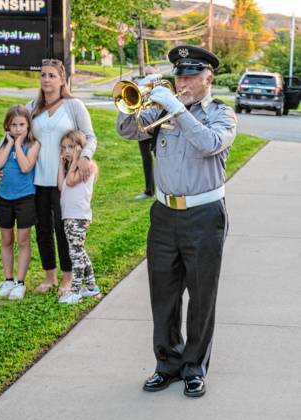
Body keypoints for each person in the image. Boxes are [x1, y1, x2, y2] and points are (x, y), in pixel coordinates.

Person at [116, 45, 237, 397]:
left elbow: (209, 143)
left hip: (204, 215)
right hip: (165, 214)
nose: (182, 81)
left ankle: (194, 367)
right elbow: (126, 130)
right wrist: (140, 93)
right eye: (179, 75)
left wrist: (177, 109)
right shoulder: (161, 113)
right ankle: (167, 363)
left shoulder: (221, 114)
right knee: (163, 295)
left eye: (190, 75)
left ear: (208, 78)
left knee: (202, 295)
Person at [26, 59, 97, 295]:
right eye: (43, 75)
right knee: (43, 228)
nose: (46, 79)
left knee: (62, 228)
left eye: (52, 75)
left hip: (63, 181)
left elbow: (90, 136)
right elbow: (15, 134)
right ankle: (50, 277)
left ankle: (68, 278)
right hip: (37, 179)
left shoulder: (73, 106)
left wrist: (85, 157)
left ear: (62, 80)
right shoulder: (32, 107)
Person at [0, 105, 40, 300]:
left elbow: (25, 167)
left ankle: (20, 282)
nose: (18, 128)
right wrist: (9, 144)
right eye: (14, 125)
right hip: (4, 198)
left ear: (28, 126)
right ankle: (9, 279)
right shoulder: (3, 143)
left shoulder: (33, 144)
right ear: (7, 126)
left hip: (25, 198)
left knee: (22, 240)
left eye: (22, 124)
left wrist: (18, 144)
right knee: (6, 240)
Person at [57, 130, 101, 305]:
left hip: (78, 217)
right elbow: (61, 185)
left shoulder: (86, 166)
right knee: (79, 252)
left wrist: (76, 159)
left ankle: (74, 291)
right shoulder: (71, 168)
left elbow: (70, 182)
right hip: (70, 217)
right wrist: (62, 164)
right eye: (64, 148)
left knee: (75, 254)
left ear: (82, 148)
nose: (67, 151)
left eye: (71, 147)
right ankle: (91, 287)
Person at [134, 64, 158, 200]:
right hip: (143, 128)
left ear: (156, 70)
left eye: (150, 72)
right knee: (146, 160)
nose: (148, 74)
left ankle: (166, 190)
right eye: (146, 73)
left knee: (162, 160)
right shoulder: (140, 85)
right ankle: (149, 191)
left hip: (156, 128)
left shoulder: (158, 82)